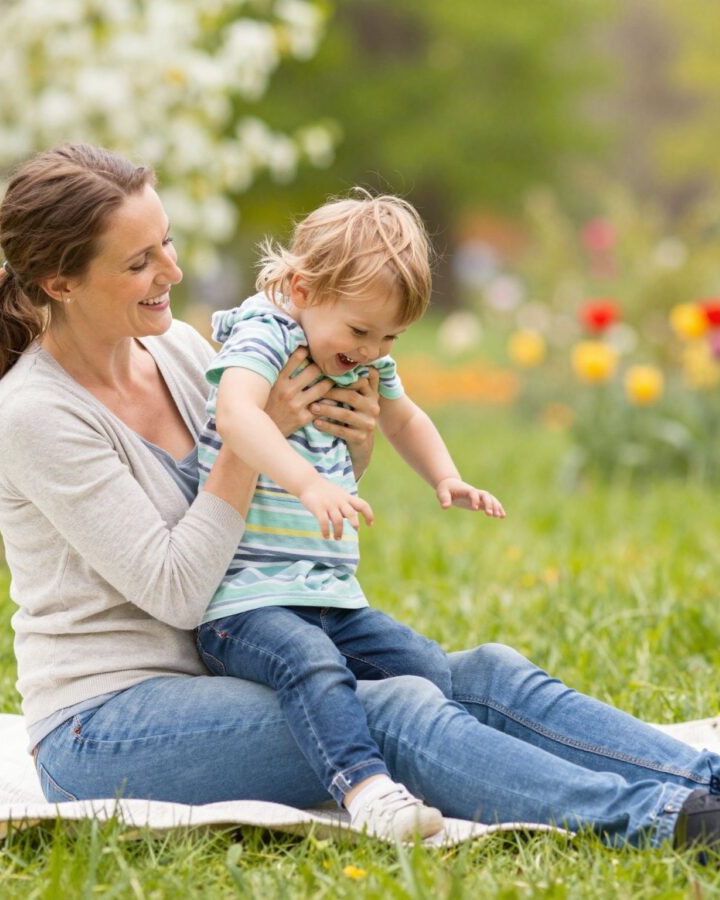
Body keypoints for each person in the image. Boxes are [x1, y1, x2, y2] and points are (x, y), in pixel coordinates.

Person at [0, 143, 720, 853]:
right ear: (57, 282)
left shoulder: (178, 351)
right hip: (109, 722)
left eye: (166, 247)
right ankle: (687, 825)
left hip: (232, 658)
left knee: (480, 671)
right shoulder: (36, 414)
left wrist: (346, 452)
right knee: (400, 708)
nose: (170, 274)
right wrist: (268, 445)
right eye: (139, 264)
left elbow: (268, 514)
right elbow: (175, 589)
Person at [193, 194, 505, 839]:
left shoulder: (358, 349)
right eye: (362, 332)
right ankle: (365, 792)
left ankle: (460, 764)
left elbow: (404, 417)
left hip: (326, 591)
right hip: (242, 602)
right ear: (304, 288)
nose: (372, 351)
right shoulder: (266, 333)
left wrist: (446, 476)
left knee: (425, 666)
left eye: (390, 337)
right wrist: (307, 483)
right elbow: (237, 413)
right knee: (309, 662)